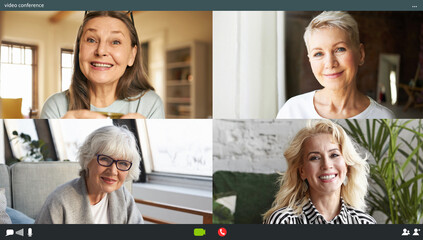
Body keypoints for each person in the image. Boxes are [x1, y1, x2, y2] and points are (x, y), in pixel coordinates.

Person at [40, 11, 164, 119]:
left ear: (132, 55)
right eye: (91, 40)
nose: (101, 51)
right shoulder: (55, 106)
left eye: (115, 42)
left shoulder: (151, 104)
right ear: (79, 50)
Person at [276, 11, 394, 119]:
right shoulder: (292, 110)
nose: (330, 63)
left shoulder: (384, 117)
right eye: (318, 54)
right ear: (310, 61)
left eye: (340, 49)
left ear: (361, 54)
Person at [264, 120, 376, 224]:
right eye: (315, 158)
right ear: (302, 171)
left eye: (334, 155)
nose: (327, 165)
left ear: (346, 165)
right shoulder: (283, 221)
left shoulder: (365, 222)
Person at [35, 125, 144, 224]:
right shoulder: (59, 201)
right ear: (87, 158)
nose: (113, 171)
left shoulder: (123, 196)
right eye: (105, 159)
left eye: (123, 163)